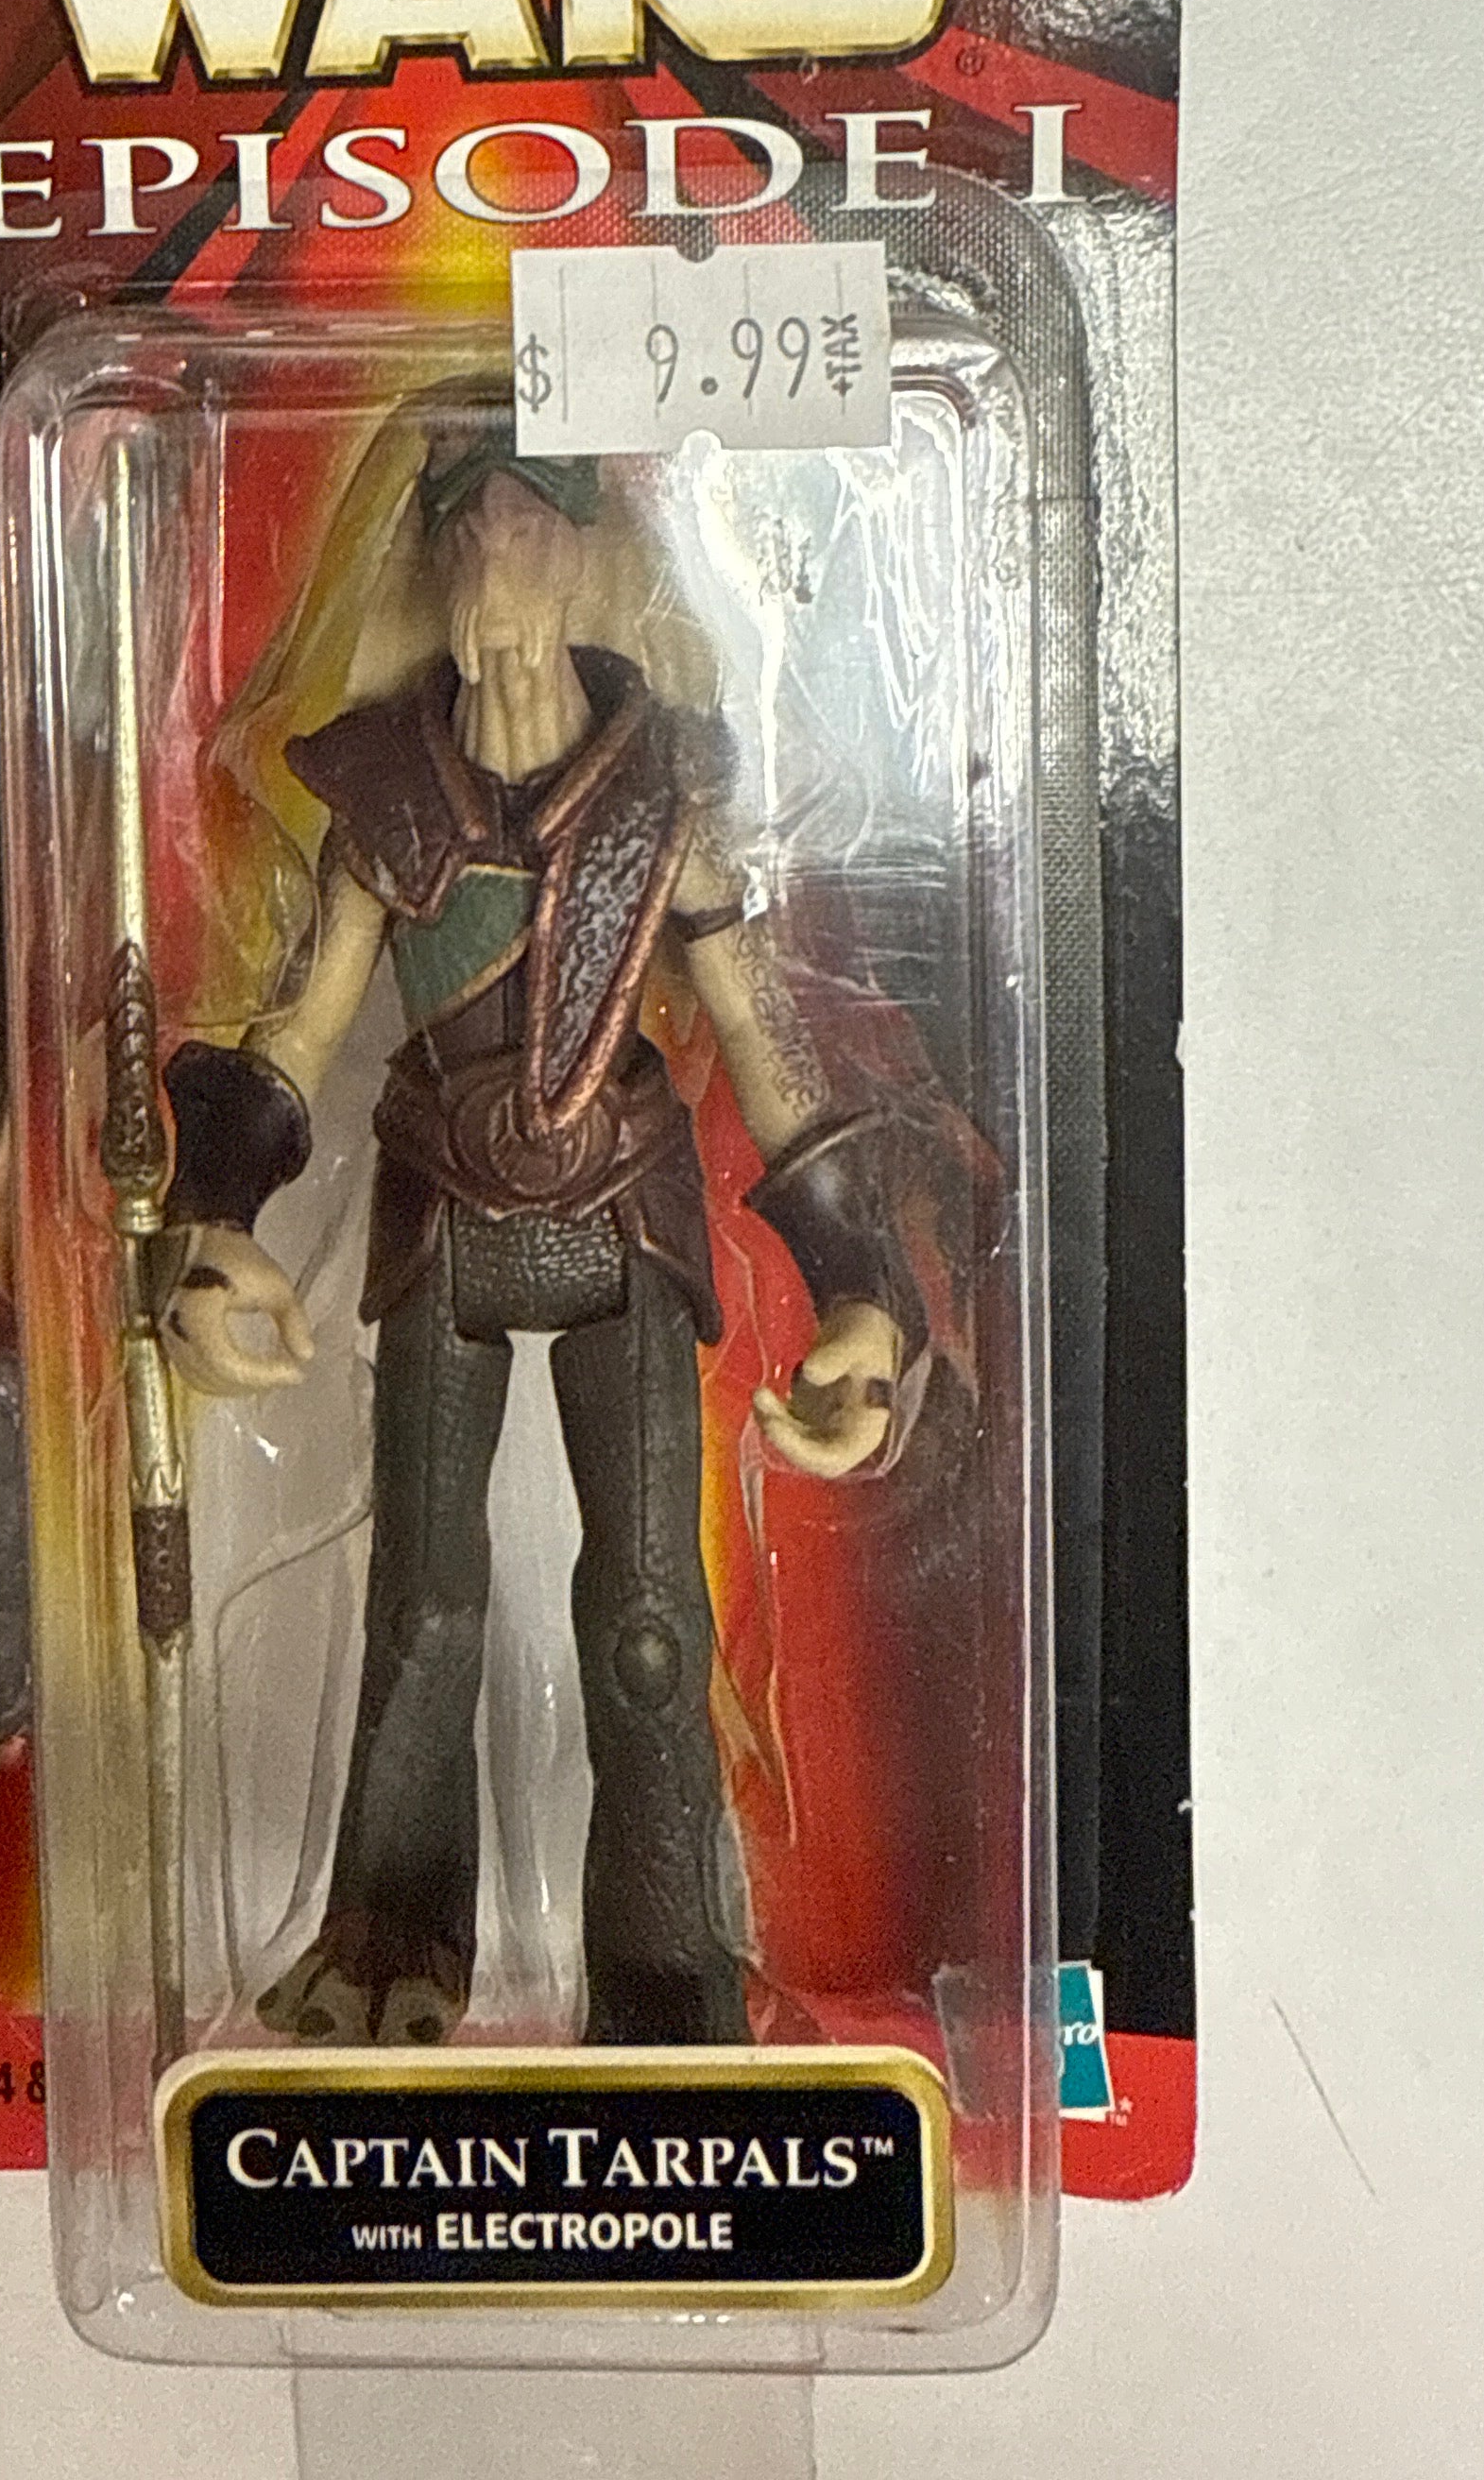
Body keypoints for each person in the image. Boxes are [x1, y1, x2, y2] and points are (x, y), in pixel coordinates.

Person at [156, 414, 931, 2048]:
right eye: (467, 527)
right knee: (423, 1607)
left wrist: (863, 1291)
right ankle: (389, 1937)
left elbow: (769, 1047)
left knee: (648, 1627)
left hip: (624, 1223)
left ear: (585, 555)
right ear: (432, 553)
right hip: (440, 1217)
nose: (494, 561)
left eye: (527, 526)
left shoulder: (668, 796)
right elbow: (296, 1031)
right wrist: (211, 1222)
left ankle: (666, 1976)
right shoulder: (382, 794)